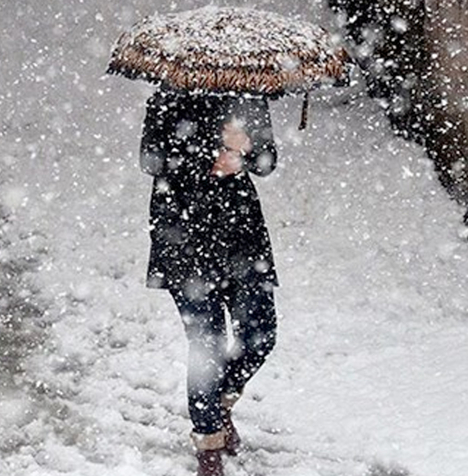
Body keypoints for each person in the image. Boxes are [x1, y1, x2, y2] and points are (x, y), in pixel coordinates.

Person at [139, 85, 278, 476]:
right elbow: (151, 160)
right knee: (208, 346)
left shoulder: (249, 96)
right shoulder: (168, 98)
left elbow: (267, 161)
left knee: (260, 334)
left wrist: (246, 151)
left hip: (242, 238)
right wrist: (213, 152)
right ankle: (208, 445)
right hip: (184, 238)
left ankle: (218, 404)